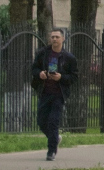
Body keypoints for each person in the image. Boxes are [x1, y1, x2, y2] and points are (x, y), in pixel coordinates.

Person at [31, 28, 78, 161]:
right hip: (44, 93)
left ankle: (51, 151)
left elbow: (74, 77)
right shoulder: (43, 54)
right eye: (52, 37)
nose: (54, 39)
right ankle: (55, 138)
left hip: (59, 95)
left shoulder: (69, 58)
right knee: (41, 121)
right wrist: (40, 74)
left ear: (63, 39)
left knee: (53, 122)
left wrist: (61, 77)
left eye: (57, 37)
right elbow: (34, 68)